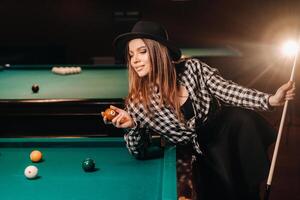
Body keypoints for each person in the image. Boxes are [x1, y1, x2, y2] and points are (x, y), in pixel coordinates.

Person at [102, 21, 296, 200]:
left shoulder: (193, 68)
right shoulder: (138, 102)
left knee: (246, 191)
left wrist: (270, 99)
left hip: (229, 135)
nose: (134, 60)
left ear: (159, 52)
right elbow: (139, 152)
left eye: (142, 51)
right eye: (131, 55)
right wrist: (132, 125)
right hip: (200, 154)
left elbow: (228, 90)